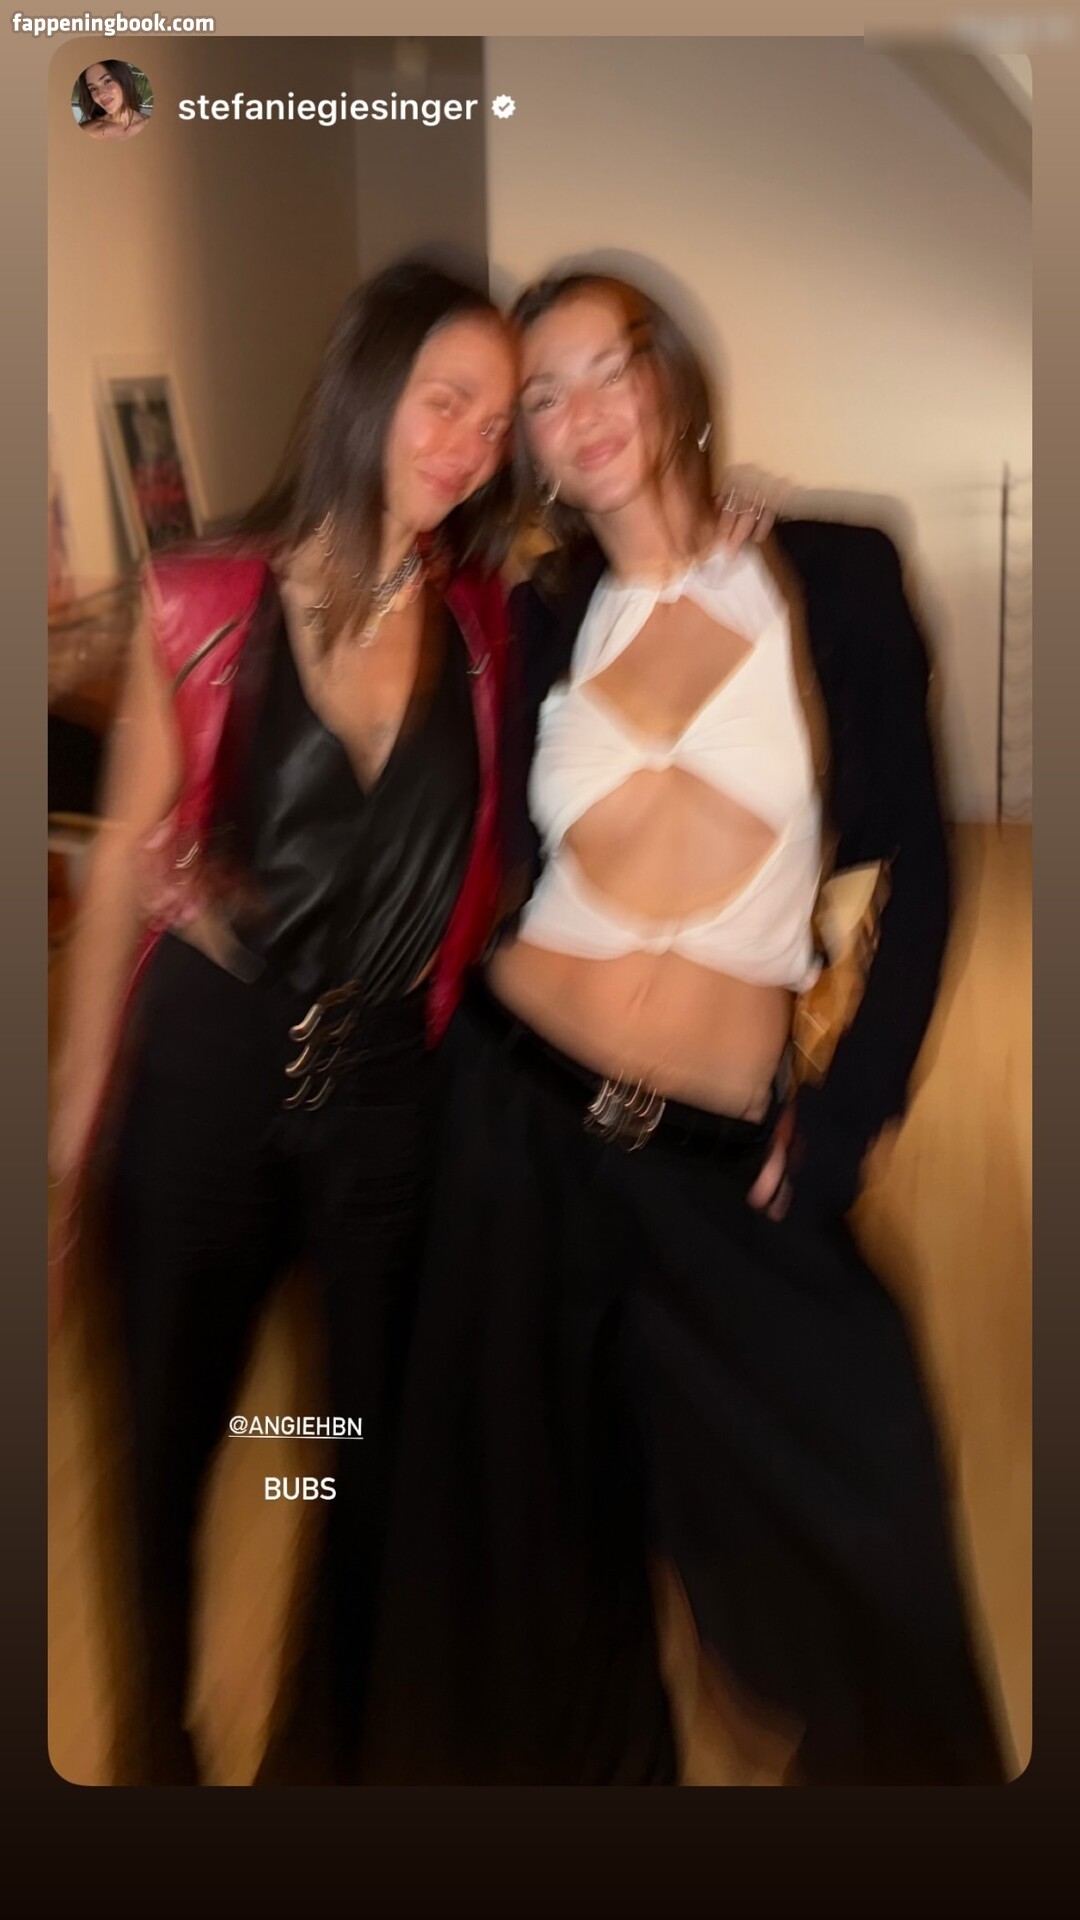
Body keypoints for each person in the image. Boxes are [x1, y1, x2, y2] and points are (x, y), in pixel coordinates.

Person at [359, 269, 1011, 1786]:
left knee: (873, 1515)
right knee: (524, 1537)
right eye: (542, 395)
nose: (579, 411)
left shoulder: (833, 571)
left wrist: (849, 1119)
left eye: (610, 367)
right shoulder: (534, 611)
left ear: (673, 377)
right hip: (513, 1117)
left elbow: (919, 870)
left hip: (720, 1149)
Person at [48, 257, 519, 1785]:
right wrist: (69, 1144)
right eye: (447, 401)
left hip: (385, 1097)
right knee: (169, 1445)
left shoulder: (486, 626)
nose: (472, 445)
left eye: (497, 421)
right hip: (206, 1076)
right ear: (368, 389)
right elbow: (120, 880)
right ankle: (158, 1750)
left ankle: (324, 1762)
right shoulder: (202, 600)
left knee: (349, 1460)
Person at [76, 62, 151, 142]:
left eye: (107, 81)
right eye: (93, 89)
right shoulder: (86, 131)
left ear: (124, 80)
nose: (100, 94)